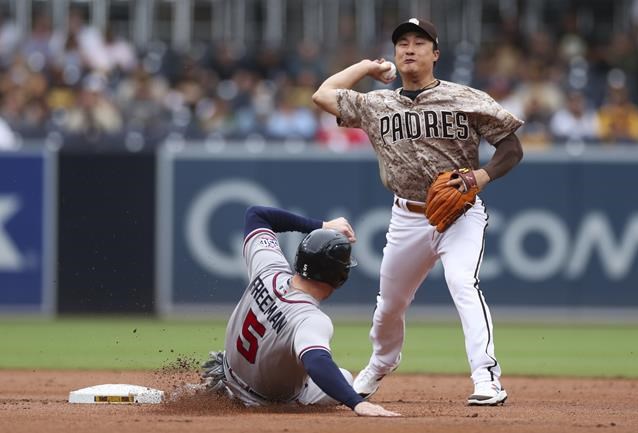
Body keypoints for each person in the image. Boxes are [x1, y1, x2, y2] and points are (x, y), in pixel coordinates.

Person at [312, 18, 524, 406]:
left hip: (461, 213)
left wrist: (481, 176)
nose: (409, 49)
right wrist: (367, 67)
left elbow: (512, 148)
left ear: (435, 54)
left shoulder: (466, 98)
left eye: (419, 43)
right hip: (407, 216)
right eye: (402, 43)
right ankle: (380, 363)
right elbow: (323, 95)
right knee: (389, 305)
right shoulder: (376, 104)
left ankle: (486, 378)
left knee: (463, 283)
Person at [200, 205, 400, 417]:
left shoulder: (269, 268)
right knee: (345, 379)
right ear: (339, 277)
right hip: (262, 401)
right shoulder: (310, 319)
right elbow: (317, 362)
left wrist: (323, 226)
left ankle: (217, 390)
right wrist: (357, 403)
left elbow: (256, 214)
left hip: (227, 374)